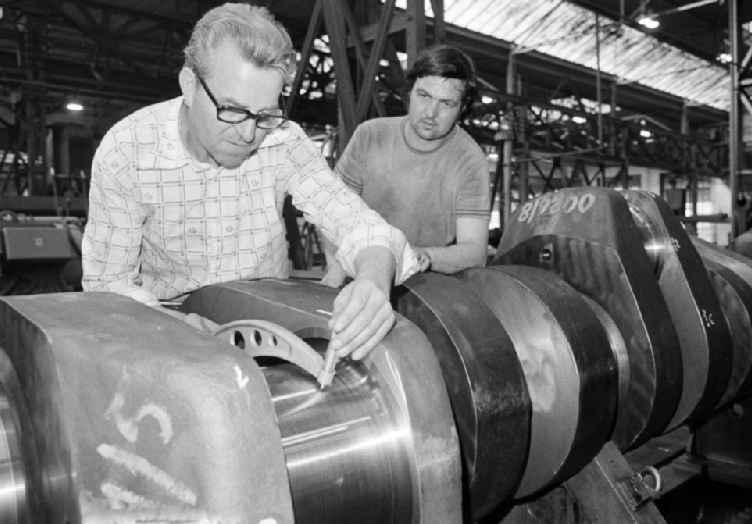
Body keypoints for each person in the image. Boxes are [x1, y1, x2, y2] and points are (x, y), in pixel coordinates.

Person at [82, 3, 418, 362]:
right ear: (190, 85)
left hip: (267, 324)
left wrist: (374, 279)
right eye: (232, 110)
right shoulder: (128, 150)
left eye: (264, 115)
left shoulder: (283, 141)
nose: (247, 134)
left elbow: (358, 224)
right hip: (164, 327)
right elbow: (109, 285)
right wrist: (187, 332)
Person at [322, 45, 490, 287]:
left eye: (446, 103)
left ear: (462, 109)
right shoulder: (370, 135)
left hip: (421, 284)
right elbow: (331, 211)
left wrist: (423, 256)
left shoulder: (470, 160)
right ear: (409, 92)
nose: (431, 112)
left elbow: (475, 252)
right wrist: (336, 270)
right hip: (353, 270)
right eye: (424, 96)